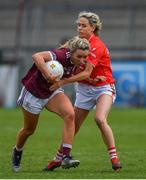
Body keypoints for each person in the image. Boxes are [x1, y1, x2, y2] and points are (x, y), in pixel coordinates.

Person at [47, 11, 122, 171]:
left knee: (100, 119)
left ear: (93, 27)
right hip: (84, 88)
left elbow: (87, 72)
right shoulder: (77, 43)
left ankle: (114, 158)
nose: (79, 28)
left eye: (83, 25)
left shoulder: (97, 46)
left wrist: (63, 81)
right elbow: (64, 56)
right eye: (78, 25)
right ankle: (58, 159)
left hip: (104, 87)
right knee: (73, 125)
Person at [11, 36, 94, 172]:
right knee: (29, 130)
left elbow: (81, 74)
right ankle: (17, 150)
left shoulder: (79, 63)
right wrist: (47, 74)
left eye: (85, 57)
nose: (82, 60)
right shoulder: (60, 55)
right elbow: (37, 56)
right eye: (79, 56)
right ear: (71, 52)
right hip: (33, 94)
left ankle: (66, 156)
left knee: (70, 115)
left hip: (52, 92)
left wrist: (92, 80)